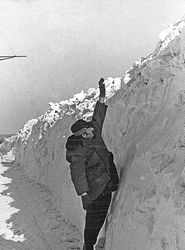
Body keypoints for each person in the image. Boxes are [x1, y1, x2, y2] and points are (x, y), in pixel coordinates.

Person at [65, 78, 119, 250]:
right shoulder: (77, 150)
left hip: (108, 180)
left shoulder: (94, 131)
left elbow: (99, 116)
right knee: (94, 218)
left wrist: (102, 95)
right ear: (79, 135)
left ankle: (97, 241)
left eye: (88, 129)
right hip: (95, 188)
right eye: (85, 132)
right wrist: (84, 194)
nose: (89, 132)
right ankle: (88, 245)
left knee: (102, 214)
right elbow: (77, 173)